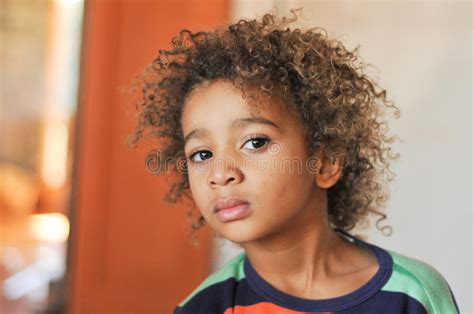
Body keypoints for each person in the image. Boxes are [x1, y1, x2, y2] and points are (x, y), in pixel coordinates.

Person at [129, 10, 459, 314]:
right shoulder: (204, 307)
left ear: (325, 161)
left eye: (255, 142)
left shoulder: (413, 296)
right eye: (202, 154)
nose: (220, 174)